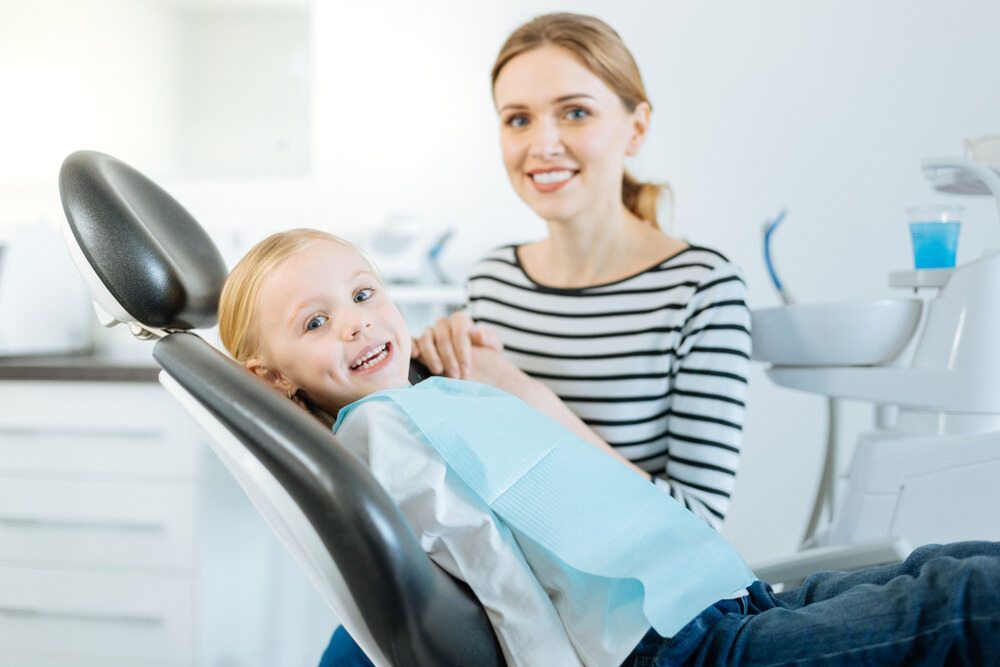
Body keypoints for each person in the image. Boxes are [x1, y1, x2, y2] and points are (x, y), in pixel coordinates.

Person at [218, 228, 1000, 667]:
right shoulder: (381, 431)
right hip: (676, 648)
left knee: (942, 566)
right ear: (272, 378)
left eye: (362, 294)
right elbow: (487, 561)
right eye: (315, 322)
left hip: (709, 599)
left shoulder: (425, 397)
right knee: (961, 604)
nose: (356, 322)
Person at [414, 12, 748, 531]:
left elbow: (698, 531)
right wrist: (433, 373)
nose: (542, 145)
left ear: (636, 127)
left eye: (574, 112)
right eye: (518, 119)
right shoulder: (492, 280)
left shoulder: (700, 288)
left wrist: (531, 403)